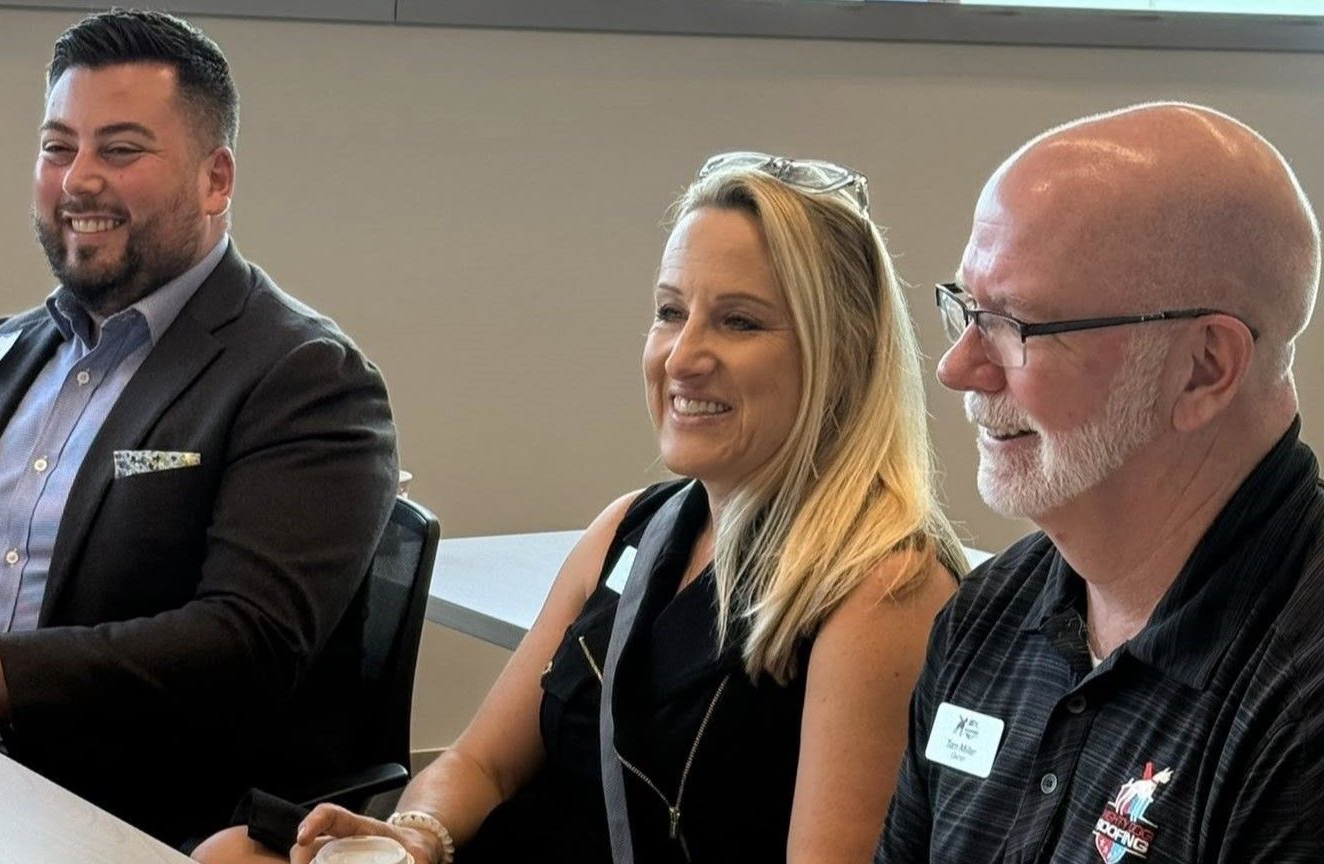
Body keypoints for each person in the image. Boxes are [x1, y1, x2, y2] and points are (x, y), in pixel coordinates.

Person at [194, 151, 966, 864]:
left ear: (845, 348)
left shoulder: (880, 589)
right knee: (236, 852)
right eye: (671, 312)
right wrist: (409, 840)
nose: (682, 356)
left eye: (739, 321)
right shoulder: (634, 529)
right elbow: (479, 764)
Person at [0, 9, 396, 848]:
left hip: (130, 809)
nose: (79, 179)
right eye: (58, 147)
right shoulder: (4, 351)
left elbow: (244, 643)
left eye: (120, 150)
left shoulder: (306, 378)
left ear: (216, 179)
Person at [875, 102, 1324, 864]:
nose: (957, 368)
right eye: (966, 308)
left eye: (1016, 325)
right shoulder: (992, 616)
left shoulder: (1313, 691)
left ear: (1203, 369)